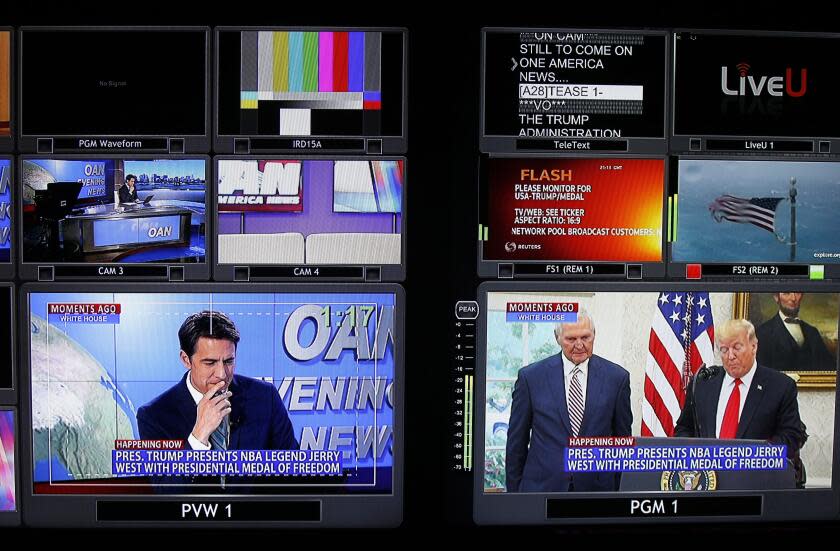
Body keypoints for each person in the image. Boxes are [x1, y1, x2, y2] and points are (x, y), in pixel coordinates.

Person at [137, 310, 299, 490]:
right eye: (210, 363)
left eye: (229, 361)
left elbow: (293, 473)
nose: (222, 374)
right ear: (186, 359)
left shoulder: (264, 397)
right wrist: (198, 438)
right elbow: (166, 492)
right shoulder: (154, 416)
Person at [505, 311, 632, 492]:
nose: (579, 345)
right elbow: (516, 445)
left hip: (597, 491)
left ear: (594, 335)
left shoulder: (617, 378)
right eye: (571, 339)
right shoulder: (530, 378)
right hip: (541, 490)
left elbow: (622, 444)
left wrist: (619, 493)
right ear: (557, 338)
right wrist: (514, 497)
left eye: (585, 337)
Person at [675, 318, 807, 461]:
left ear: (754, 346)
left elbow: (791, 437)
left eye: (736, 348)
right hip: (708, 476)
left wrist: (751, 458)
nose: (730, 356)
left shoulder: (780, 386)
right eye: (724, 350)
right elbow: (684, 429)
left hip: (753, 479)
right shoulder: (702, 383)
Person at [756, 293, 835, 372]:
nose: (793, 298)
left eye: (797, 292)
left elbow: (830, 369)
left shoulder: (813, 332)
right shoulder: (763, 333)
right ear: (776, 297)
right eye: (787, 293)